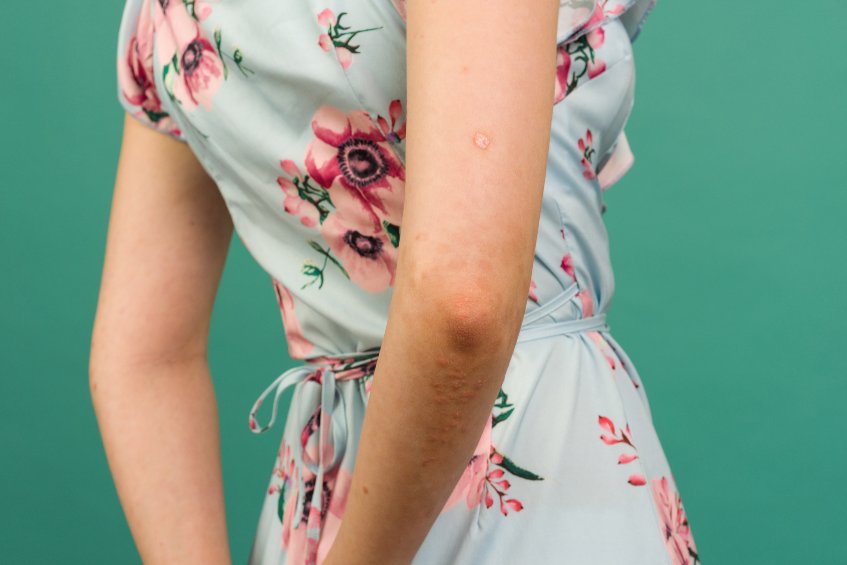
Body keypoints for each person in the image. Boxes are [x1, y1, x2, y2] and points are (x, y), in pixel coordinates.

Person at [89, 0, 700, 563]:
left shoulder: (162, 18)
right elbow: (464, 304)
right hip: (534, 459)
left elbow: (144, 358)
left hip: (327, 495)